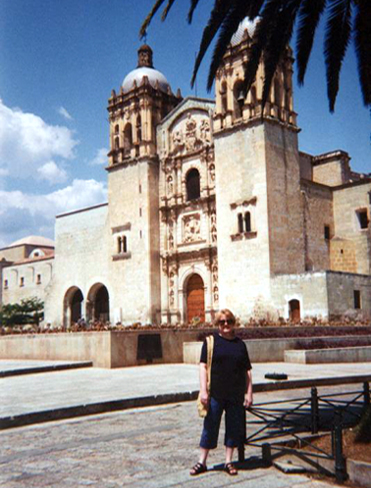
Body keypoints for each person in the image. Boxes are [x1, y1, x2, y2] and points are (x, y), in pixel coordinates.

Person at [190, 309, 253, 476]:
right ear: (217, 324)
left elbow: (247, 370)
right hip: (215, 394)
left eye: (229, 321)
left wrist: (249, 393)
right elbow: (203, 366)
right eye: (222, 322)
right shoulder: (211, 342)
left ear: (233, 323)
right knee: (210, 427)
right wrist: (203, 390)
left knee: (233, 428)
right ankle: (202, 462)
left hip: (235, 394)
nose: (226, 324)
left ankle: (228, 462)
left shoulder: (240, 345)